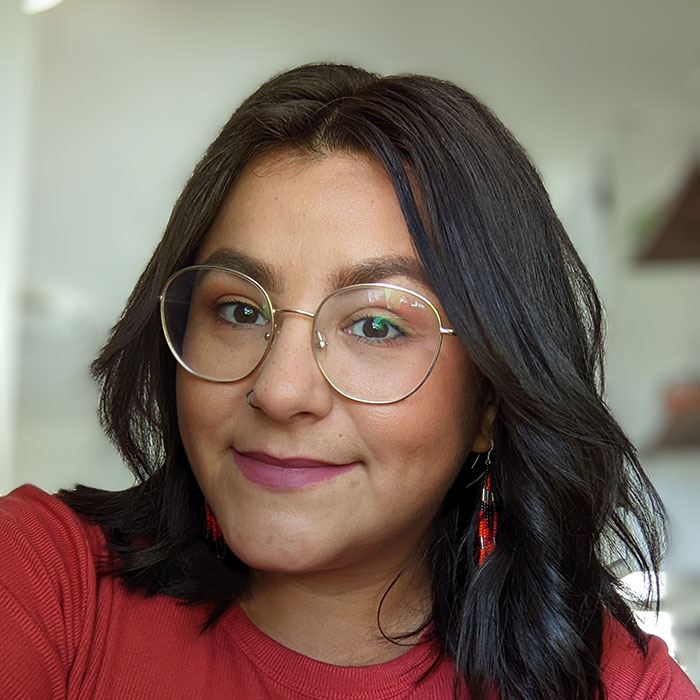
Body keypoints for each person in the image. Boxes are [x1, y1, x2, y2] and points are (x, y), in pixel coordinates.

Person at [1, 63, 698, 700]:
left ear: (490, 397)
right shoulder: (43, 582)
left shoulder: (617, 687)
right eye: (240, 310)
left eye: (376, 325)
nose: (279, 390)